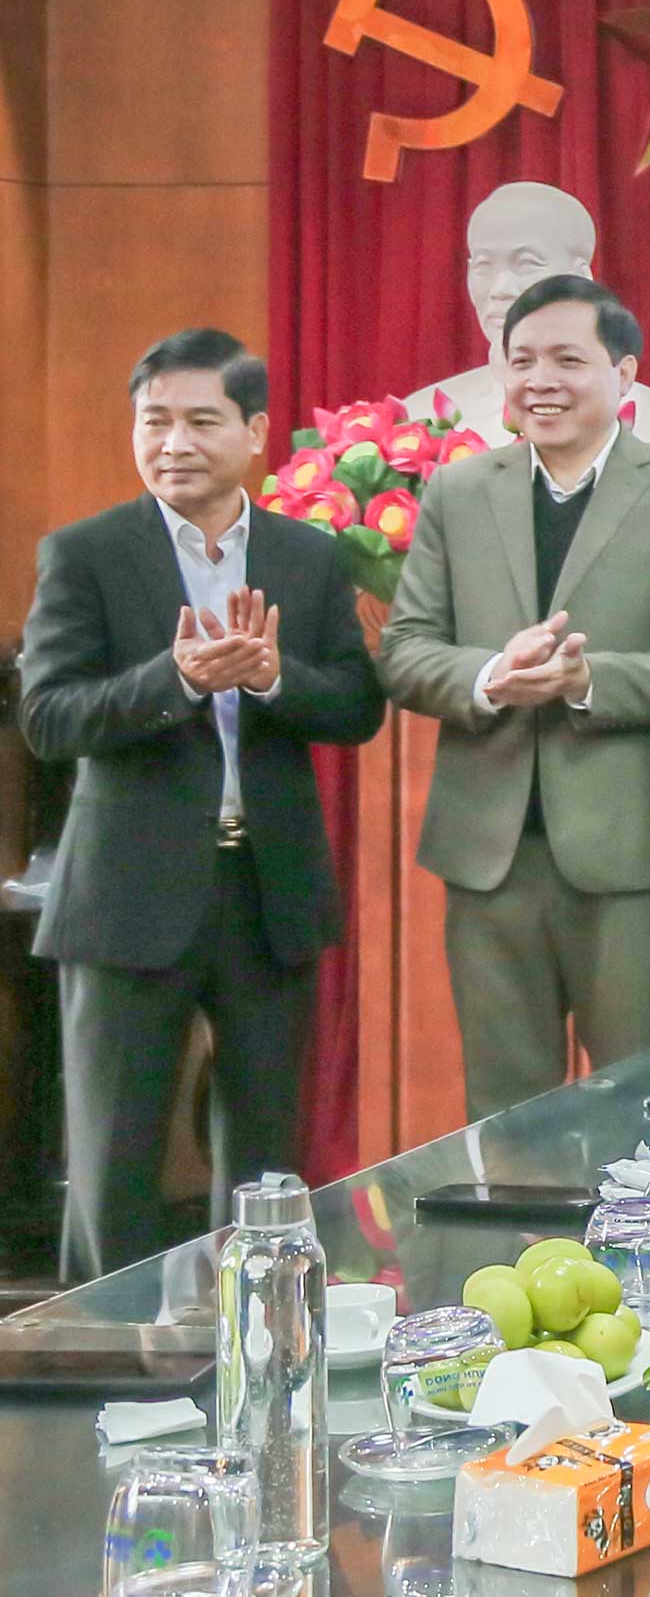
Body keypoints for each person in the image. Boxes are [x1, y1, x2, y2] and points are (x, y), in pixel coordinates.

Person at [19, 329, 385, 1276]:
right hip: (126, 893)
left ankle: (254, 1336)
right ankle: (104, 1348)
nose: (173, 443)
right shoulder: (87, 554)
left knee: (264, 1160)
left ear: (255, 431)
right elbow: (48, 719)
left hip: (268, 888)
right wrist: (175, 679)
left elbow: (357, 705)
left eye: (200, 421)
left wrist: (273, 678)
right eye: (154, 422)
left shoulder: (308, 557)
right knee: (113, 1158)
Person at [378, 276, 650, 1118]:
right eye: (522, 360)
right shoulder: (459, 492)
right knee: (505, 1114)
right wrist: (488, 677)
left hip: (634, 855)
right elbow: (405, 648)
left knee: (644, 1105)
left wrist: (588, 679)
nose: (541, 380)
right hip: (488, 857)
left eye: (568, 360)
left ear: (625, 374)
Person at [405, 182, 650, 444]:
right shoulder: (419, 419)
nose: (500, 289)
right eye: (483, 265)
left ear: (580, 276)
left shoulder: (646, 418)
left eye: (527, 264)